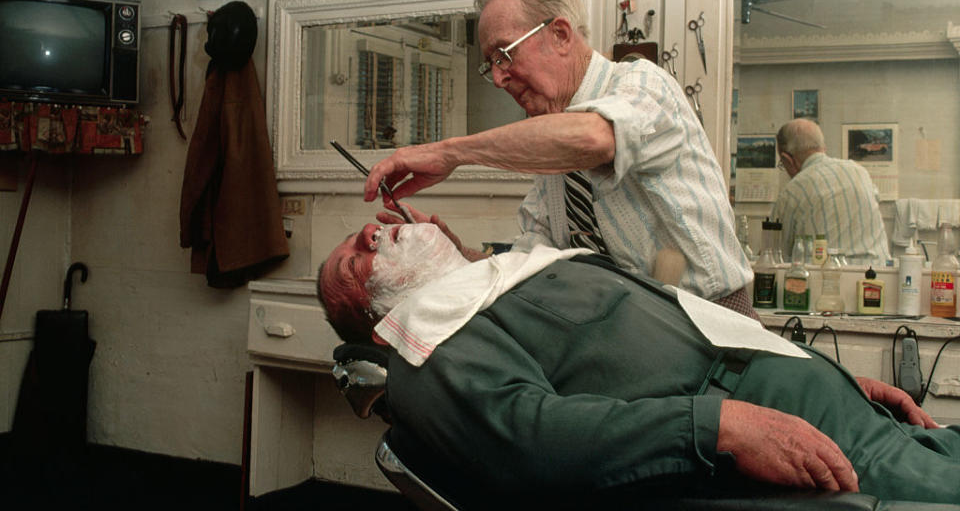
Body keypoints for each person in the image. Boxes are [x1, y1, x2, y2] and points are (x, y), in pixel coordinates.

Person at [318, 222, 960, 505]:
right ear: (373, 320)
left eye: (363, 231)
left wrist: (838, 381)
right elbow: (533, 442)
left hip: (840, 411)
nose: (373, 231)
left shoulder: (500, 285)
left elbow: (684, 330)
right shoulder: (432, 343)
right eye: (355, 260)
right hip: (798, 445)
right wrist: (720, 427)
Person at [365, 0, 754, 316]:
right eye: (490, 66)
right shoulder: (552, 144)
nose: (499, 79)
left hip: (713, 327)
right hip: (639, 336)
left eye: (503, 55)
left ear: (560, 34)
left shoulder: (643, 85)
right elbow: (531, 262)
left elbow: (593, 139)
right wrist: (455, 254)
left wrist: (447, 152)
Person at [771, 118, 890, 265]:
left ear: (787, 159)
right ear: (822, 147)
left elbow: (775, 256)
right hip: (878, 277)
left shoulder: (792, 192)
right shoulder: (860, 172)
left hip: (826, 279)